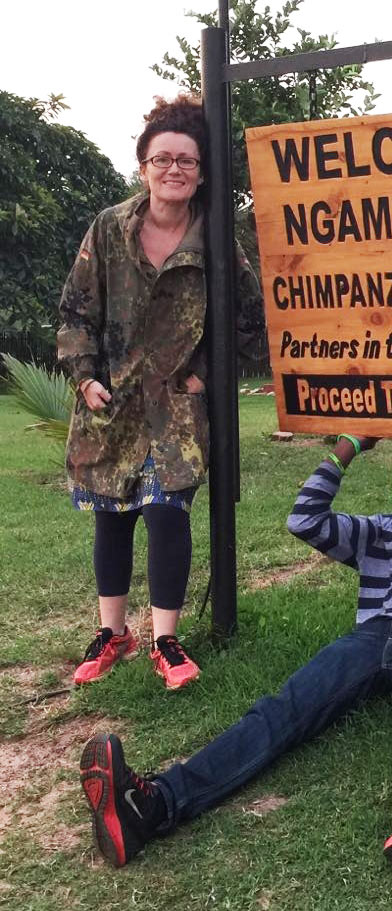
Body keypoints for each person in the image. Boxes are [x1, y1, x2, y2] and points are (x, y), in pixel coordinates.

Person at [79, 435, 392, 868]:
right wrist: (349, 446)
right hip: (370, 638)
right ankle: (151, 805)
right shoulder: (383, 530)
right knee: (281, 711)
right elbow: (304, 519)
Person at [57, 96, 265, 690]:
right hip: (111, 404)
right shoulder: (108, 229)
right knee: (112, 517)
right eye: (162, 159)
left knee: (168, 514)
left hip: (175, 406)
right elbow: (74, 311)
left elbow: (249, 318)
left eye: (187, 161)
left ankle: (166, 640)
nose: (174, 170)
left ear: (201, 172)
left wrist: (207, 370)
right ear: (143, 165)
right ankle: (112, 633)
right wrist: (85, 374)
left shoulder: (216, 240)